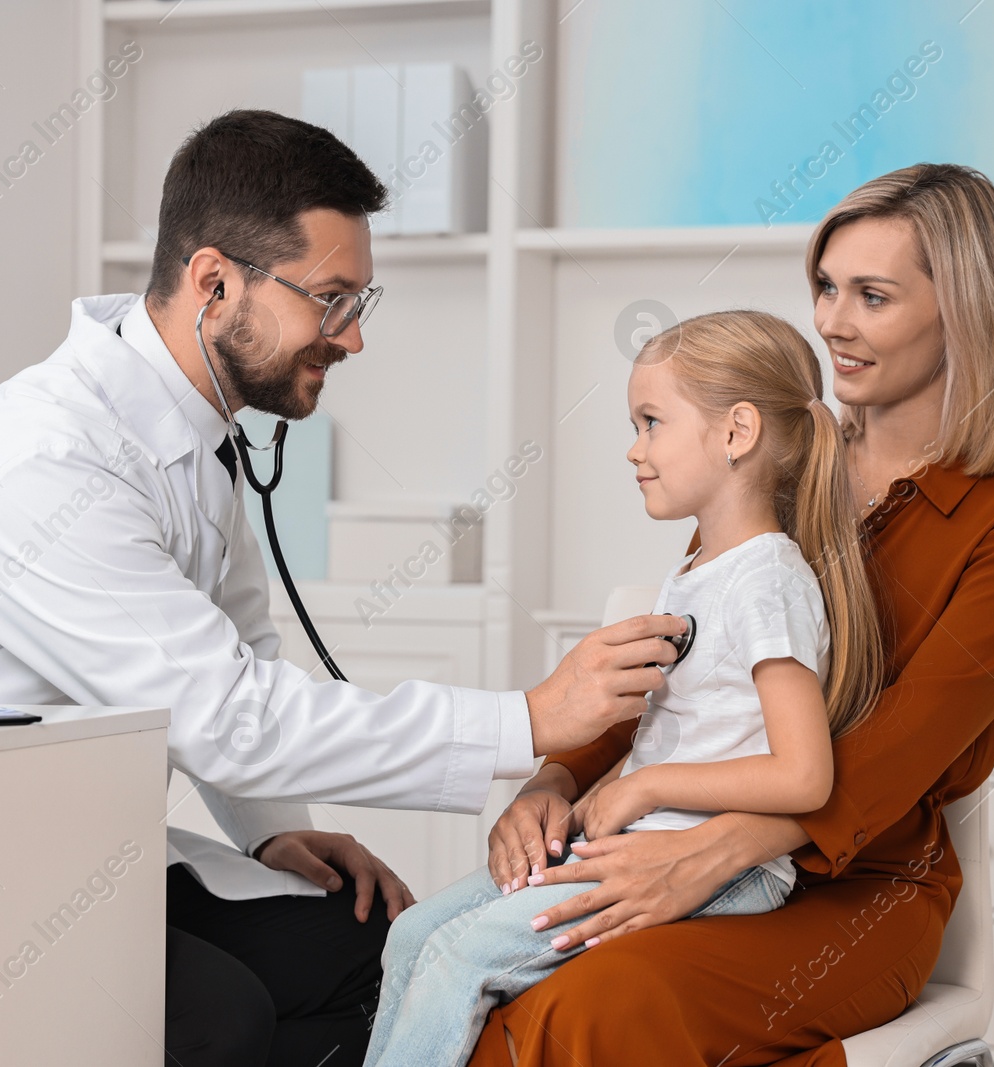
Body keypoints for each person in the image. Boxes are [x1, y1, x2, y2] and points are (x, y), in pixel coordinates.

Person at [0, 109, 686, 1067]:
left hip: (78, 852)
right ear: (213, 281)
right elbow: (225, 715)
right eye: (331, 300)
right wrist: (530, 718)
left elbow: (236, 653)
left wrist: (277, 834)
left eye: (360, 302)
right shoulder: (46, 464)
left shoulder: (196, 432)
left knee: (378, 949)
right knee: (221, 1018)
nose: (351, 339)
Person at [465, 163, 994, 1066]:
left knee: (593, 1002)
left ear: (968, 312)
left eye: (872, 295)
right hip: (690, 846)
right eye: (826, 288)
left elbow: (899, 749)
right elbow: (685, 667)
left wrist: (712, 852)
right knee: (475, 975)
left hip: (860, 895)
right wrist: (554, 779)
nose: (832, 320)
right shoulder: (783, 467)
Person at [364, 310, 886, 1067]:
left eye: (651, 422)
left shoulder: (767, 580)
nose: (634, 449)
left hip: (715, 869)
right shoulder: (701, 568)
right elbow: (687, 727)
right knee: (414, 935)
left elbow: (805, 775)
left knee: (460, 959)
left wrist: (644, 792)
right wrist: (591, 794)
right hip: (638, 840)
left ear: (737, 432)